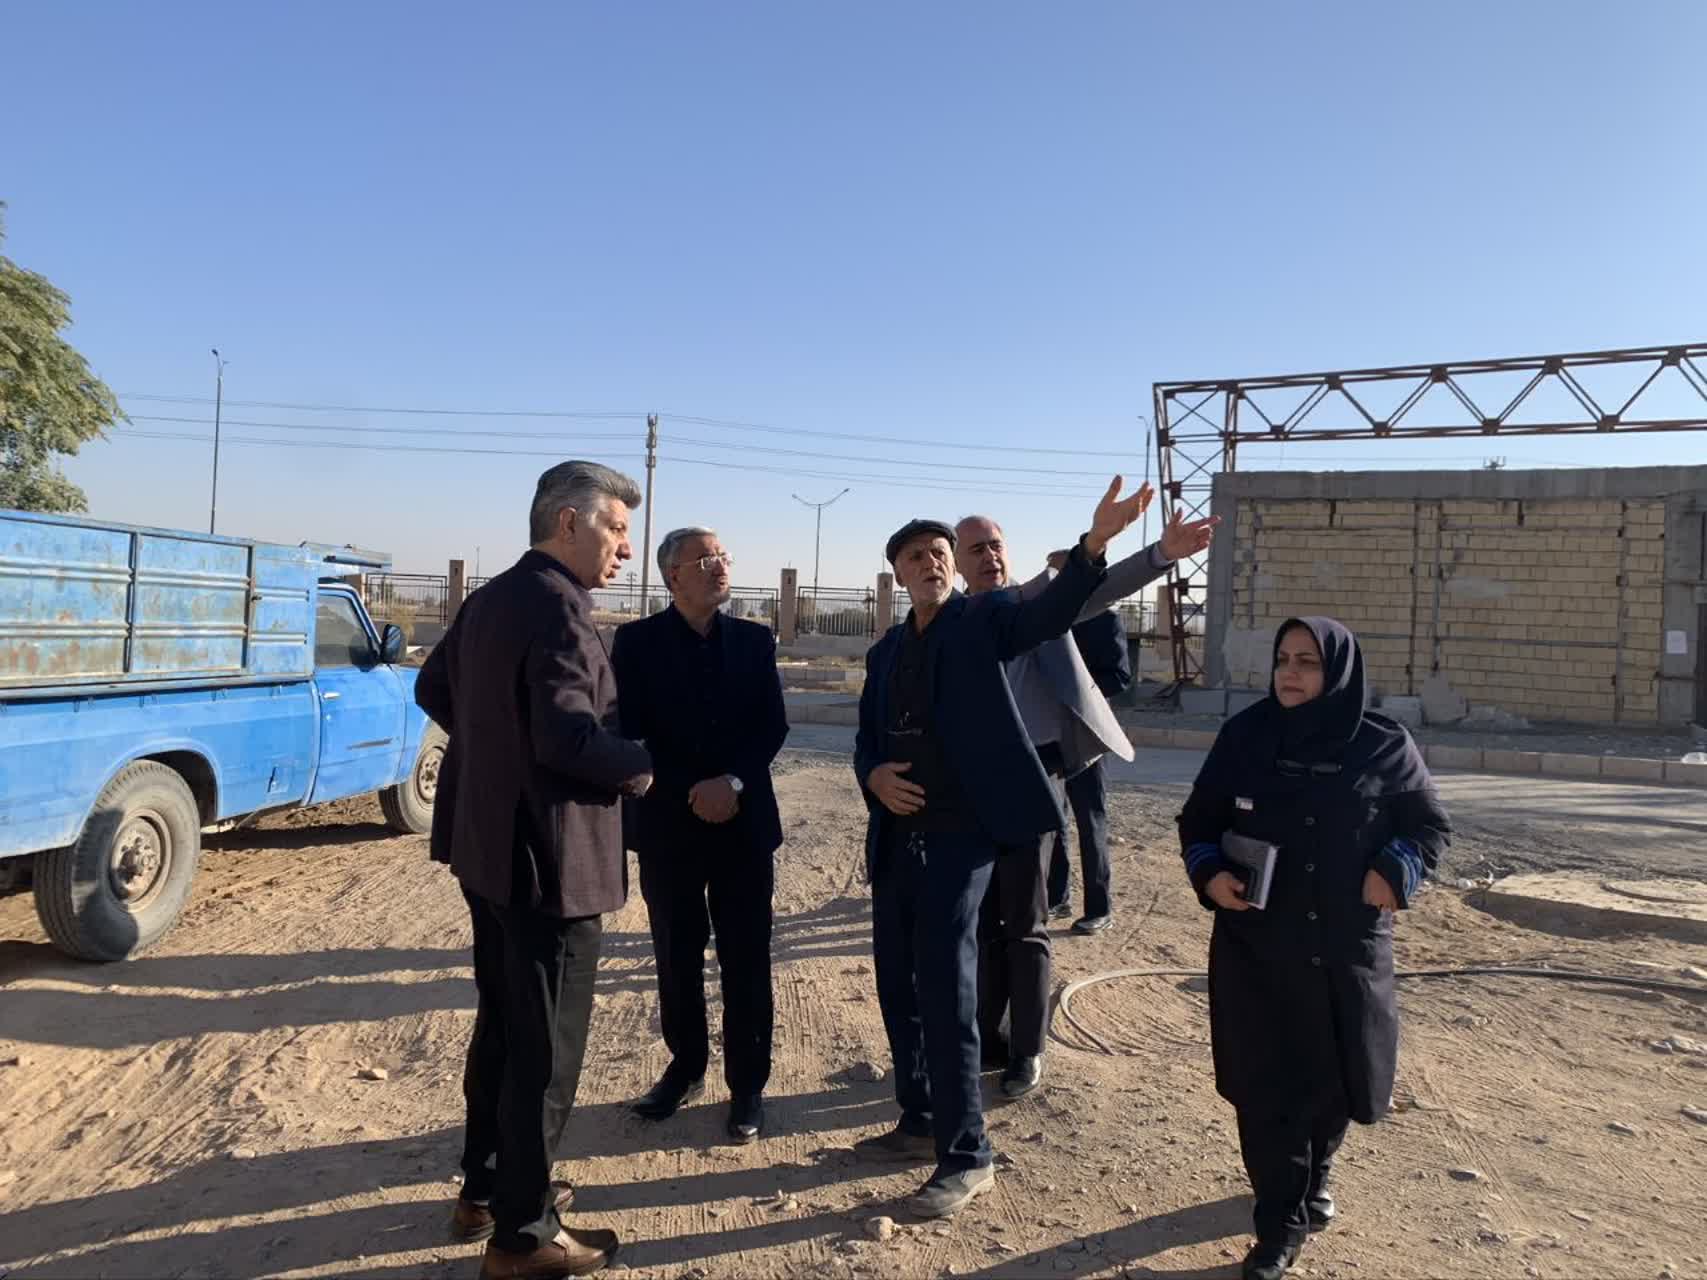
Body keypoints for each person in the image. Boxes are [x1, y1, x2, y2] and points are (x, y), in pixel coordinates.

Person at [851, 477, 1150, 1219]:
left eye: (939, 553)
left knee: (945, 987)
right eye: (916, 556)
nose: (931, 563)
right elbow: (865, 741)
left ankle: (967, 1154)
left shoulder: (983, 619)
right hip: (898, 838)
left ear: (953, 567)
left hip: (963, 837)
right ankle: (919, 1118)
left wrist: (1094, 545)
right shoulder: (886, 652)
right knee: (897, 984)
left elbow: (1053, 609)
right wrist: (874, 776)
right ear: (897, 573)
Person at [417, 460, 654, 1280]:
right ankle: (523, 1236)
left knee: (504, 1025)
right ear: (568, 523)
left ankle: (486, 1188)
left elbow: (433, 687)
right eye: (616, 527)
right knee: (544, 1050)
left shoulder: (491, 598)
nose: (626, 547)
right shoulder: (558, 606)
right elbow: (568, 738)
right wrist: (641, 766)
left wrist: (497, 754)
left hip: (489, 853)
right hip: (548, 864)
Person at [1175, 617, 1451, 1280]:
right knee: (1265, 1091)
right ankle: (1278, 1226)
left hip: (1343, 949)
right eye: (1283, 659)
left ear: (1338, 672)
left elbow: (1427, 828)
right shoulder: (1245, 737)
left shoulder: (1383, 745)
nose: (1290, 673)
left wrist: (1394, 870)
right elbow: (1198, 821)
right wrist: (1210, 874)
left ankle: (1315, 1174)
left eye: (1307, 661)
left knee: (1332, 1084)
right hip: (1256, 951)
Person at [953, 507, 1218, 1098]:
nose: (990, 556)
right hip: (972, 784)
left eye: (996, 544)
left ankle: (1027, 1049)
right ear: (958, 564)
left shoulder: (1036, 600)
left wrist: (1161, 554)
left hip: (1035, 774)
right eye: (976, 550)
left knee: (1024, 920)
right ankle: (987, 1037)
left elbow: (1098, 590)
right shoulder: (952, 619)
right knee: (983, 920)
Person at [610, 527, 788, 1143]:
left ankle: (748, 1086)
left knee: (747, 956)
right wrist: (693, 786)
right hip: (669, 825)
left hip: (744, 825)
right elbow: (631, 728)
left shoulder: (755, 641)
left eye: (723, 557)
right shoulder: (635, 643)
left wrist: (731, 781)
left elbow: (771, 726)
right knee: (676, 954)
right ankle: (685, 1066)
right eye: (705, 559)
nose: (720, 566)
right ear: (673, 576)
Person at [1045, 607, 1132, 929]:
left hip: (1087, 733)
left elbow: (1120, 678)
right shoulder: (1050, 615)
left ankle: (1099, 909)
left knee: (1089, 818)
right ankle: (1057, 897)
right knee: (1053, 816)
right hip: (1050, 731)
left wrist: (1077, 687)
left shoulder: (1105, 619)